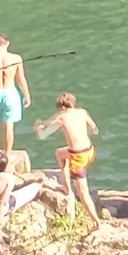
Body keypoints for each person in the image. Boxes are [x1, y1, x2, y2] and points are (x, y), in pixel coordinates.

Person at [35, 92, 100, 229]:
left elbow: (44, 134)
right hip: (90, 151)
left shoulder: (62, 117)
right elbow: (95, 129)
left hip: (78, 158)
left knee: (83, 194)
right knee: (60, 153)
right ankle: (66, 186)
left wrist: (40, 129)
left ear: (62, 107)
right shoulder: (82, 112)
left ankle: (96, 223)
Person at [0, 150, 42, 248]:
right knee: (32, 188)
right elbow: (3, 203)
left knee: (3, 194)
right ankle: (38, 183)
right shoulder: (8, 179)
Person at [0, 34, 32, 155]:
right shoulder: (16, 58)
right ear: (7, 43)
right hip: (10, 92)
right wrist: (27, 95)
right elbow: (21, 79)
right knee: (9, 124)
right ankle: (8, 154)